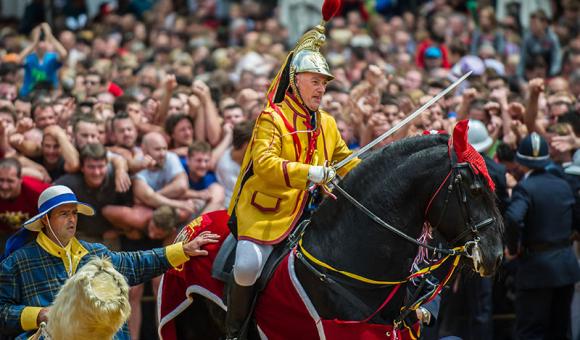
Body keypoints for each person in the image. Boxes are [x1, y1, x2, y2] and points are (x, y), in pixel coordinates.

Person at [225, 17, 361, 339]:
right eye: (315, 81)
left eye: (324, 83)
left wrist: (375, 173)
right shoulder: (272, 118)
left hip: (310, 212)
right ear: (296, 80)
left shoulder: (326, 122)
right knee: (246, 268)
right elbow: (265, 164)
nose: (322, 88)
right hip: (266, 212)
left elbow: (344, 159)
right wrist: (310, 173)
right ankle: (234, 331)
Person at [0, 185, 219, 339]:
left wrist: (183, 249)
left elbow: (138, 262)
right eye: (64, 213)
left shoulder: (96, 252)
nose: (72, 219)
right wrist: (38, 315)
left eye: (74, 213)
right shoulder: (17, 262)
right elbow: (2, 312)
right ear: (45, 221)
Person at [505, 133, 580, 339]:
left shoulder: (525, 187)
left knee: (531, 331)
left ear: (520, 161)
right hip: (565, 266)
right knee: (560, 330)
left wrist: (512, 248)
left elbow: (512, 218)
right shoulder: (563, 184)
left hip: (536, 270)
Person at [0, 158, 49, 250]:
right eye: (1, 180)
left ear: (20, 180)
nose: (4, 186)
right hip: (6, 236)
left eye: (10, 181)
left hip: (36, 237)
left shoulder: (38, 192)